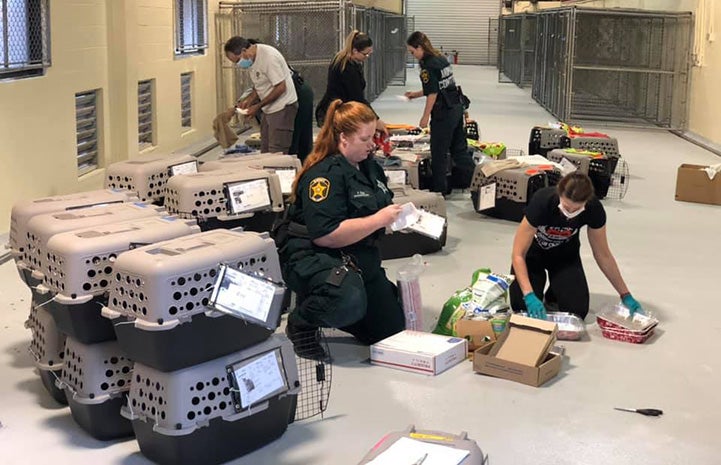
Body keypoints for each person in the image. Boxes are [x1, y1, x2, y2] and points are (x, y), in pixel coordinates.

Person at [277, 99, 405, 359]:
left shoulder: (370, 168)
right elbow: (326, 235)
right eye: (365, 138)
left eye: (374, 136)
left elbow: (379, 204)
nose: (372, 145)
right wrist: (379, 220)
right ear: (343, 138)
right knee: (346, 301)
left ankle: (350, 306)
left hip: (360, 256)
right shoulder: (323, 176)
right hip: (315, 256)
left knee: (390, 330)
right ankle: (302, 321)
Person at [509, 172, 644, 320]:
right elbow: (518, 254)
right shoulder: (542, 201)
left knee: (577, 311)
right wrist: (528, 295)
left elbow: (603, 254)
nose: (569, 213)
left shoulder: (594, 210)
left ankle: (555, 291)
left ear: (587, 202)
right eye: (566, 207)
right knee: (520, 306)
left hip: (564, 256)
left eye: (576, 209)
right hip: (533, 255)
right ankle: (539, 288)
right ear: (559, 194)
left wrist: (625, 294)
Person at [405, 31, 475, 195]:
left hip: (443, 113)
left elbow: (433, 93)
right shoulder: (441, 59)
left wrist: (425, 116)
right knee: (459, 150)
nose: (413, 55)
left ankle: (439, 191)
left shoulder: (427, 66)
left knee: (438, 153)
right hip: (456, 107)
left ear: (420, 47)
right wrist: (415, 94)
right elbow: (440, 85)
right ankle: (478, 181)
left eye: (412, 52)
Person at [224, 36, 298, 154]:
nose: (239, 64)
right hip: (268, 109)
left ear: (244, 51)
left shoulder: (269, 58)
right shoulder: (251, 60)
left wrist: (257, 106)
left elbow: (280, 87)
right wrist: (249, 100)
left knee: (277, 151)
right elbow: (260, 85)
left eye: (238, 60)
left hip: (282, 107)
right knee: (265, 149)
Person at [315, 30, 387, 135]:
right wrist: (375, 119)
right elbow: (357, 97)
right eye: (365, 54)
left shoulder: (346, 61)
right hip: (335, 112)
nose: (367, 57)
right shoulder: (346, 68)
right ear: (355, 51)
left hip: (339, 110)